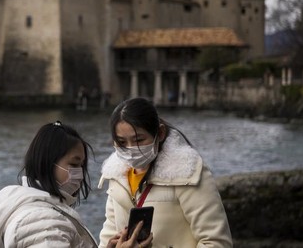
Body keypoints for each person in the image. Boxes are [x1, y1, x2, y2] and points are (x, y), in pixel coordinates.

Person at [0, 121, 150, 248]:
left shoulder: (35, 208)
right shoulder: (43, 222)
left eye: (81, 166)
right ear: (48, 163)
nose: (79, 173)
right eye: (73, 164)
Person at [98, 97, 233, 247]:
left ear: (160, 133)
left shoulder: (187, 173)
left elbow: (217, 242)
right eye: (122, 142)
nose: (130, 149)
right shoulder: (117, 177)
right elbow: (107, 238)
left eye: (139, 140)